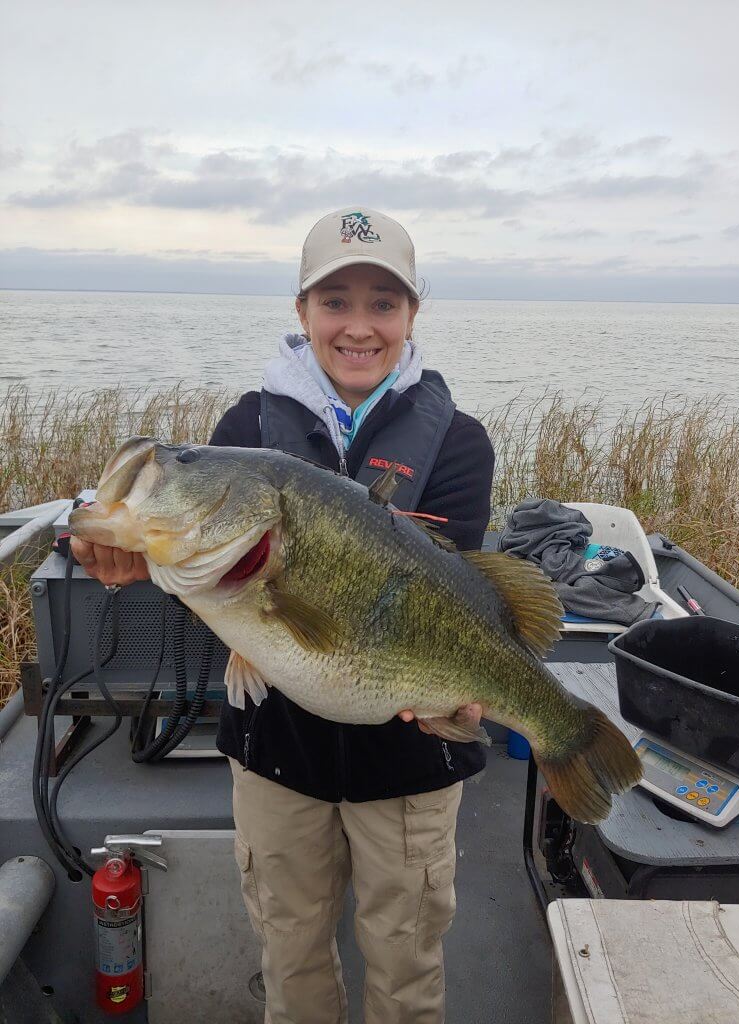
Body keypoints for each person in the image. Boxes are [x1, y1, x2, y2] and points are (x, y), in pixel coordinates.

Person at [72, 207, 495, 1024]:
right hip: (274, 758)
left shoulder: (460, 444)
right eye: (335, 301)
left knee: (406, 971)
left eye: (384, 302)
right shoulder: (243, 433)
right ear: (302, 312)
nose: (359, 326)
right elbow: (212, 570)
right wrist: (123, 554)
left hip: (412, 765)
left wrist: (464, 697)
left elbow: (453, 599)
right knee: (290, 961)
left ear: (414, 314)